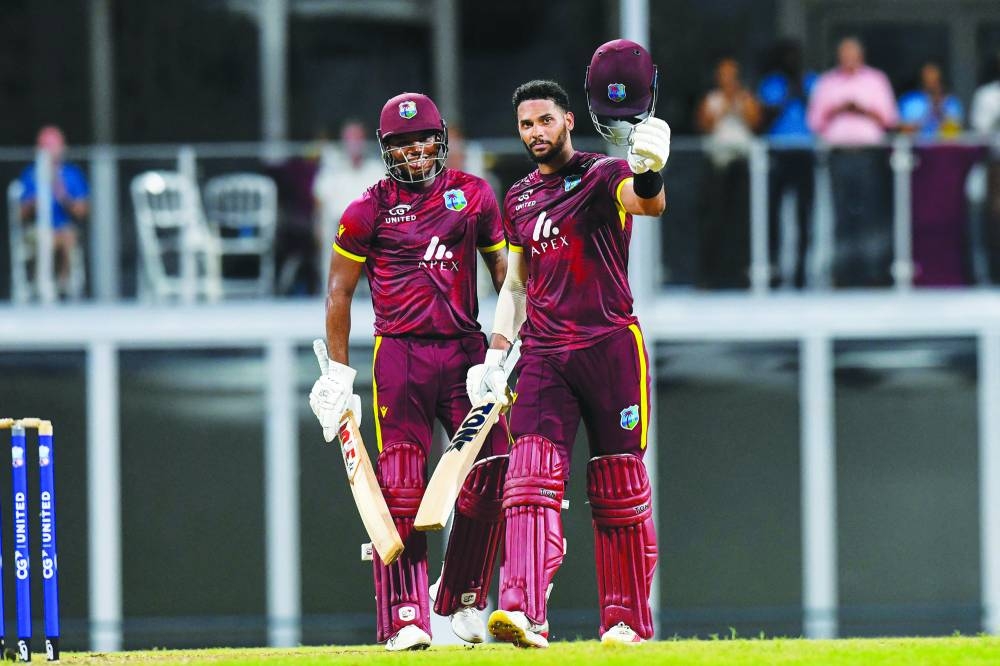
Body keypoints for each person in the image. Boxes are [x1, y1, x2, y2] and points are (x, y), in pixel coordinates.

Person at [467, 39, 670, 648]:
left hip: (610, 345)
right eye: (525, 124)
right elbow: (516, 284)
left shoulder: (605, 174)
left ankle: (625, 622)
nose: (534, 132)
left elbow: (649, 203)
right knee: (527, 477)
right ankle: (523, 611)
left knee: (618, 486)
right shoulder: (519, 197)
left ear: (568, 121)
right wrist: (496, 353)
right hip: (547, 354)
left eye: (544, 121)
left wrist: (652, 167)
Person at [307, 92, 510, 651]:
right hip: (399, 356)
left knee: (496, 464)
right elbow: (338, 293)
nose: (415, 151)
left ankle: (462, 595)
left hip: (465, 350)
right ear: (385, 149)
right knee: (400, 483)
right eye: (401, 143)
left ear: (441, 140)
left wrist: (502, 350)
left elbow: (507, 278)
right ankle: (405, 616)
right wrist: (339, 377)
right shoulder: (365, 209)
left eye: (423, 139)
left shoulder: (473, 196)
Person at [807, 37, 898, 287]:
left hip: (869, 154)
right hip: (839, 155)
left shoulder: (876, 80)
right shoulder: (827, 82)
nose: (848, 59)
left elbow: (890, 118)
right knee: (842, 213)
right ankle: (844, 274)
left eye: (852, 54)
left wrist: (861, 109)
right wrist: (837, 109)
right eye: (844, 54)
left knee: (872, 213)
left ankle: (875, 272)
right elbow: (814, 122)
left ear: (861, 55)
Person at [695, 56, 761, 289]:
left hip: (741, 164)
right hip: (718, 165)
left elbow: (756, 123)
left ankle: (740, 273)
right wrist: (723, 108)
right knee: (715, 219)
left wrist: (739, 105)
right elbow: (703, 126)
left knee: (741, 221)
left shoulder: (746, 98)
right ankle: (711, 274)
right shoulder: (712, 100)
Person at [758, 39, 816, 288]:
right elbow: (764, 119)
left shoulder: (811, 81)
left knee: (805, 214)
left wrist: (801, 92)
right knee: (775, 213)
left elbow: (819, 112)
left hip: (805, 152)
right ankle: (774, 269)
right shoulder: (772, 84)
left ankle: (802, 270)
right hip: (778, 152)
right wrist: (787, 95)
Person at [18, 125, 89, 297]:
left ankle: (62, 285)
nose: (50, 152)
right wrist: (34, 202)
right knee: (43, 238)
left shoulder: (72, 174)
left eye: (54, 146)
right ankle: (41, 283)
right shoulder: (30, 174)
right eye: (45, 147)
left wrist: (63, 196)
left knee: (67, 236)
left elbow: (82, 211)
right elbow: (19, 215)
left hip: (64, 230)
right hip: (36, 231)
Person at [312, 120, 385, 285]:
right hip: (340, 226)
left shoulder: (376, 169)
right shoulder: (333, 170)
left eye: (358, 138)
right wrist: (317, 225)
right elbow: (319, 200)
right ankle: (330, 291)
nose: (354, 143)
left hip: (370, 226)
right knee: (327, 229)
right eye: (350, 138)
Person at [898, 62, 963, 137]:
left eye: (935, 81)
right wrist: (927, 114)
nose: (932, 83)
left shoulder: (951, 102)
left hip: (943, 147)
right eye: (928, 79)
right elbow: (904, 129)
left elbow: (955, 132)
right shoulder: (911, 100)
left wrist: (940, 109)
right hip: (916, 146)